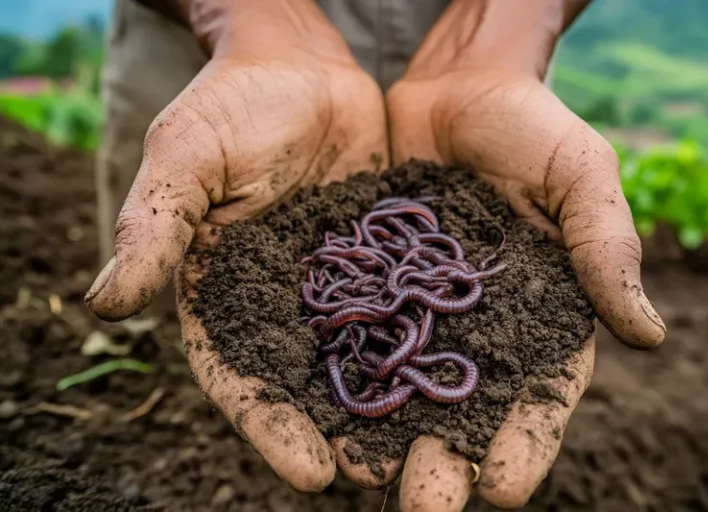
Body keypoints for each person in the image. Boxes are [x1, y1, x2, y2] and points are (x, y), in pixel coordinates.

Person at [85, 1, 667, 510]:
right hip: (214, 49)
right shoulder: (360, 292)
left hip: (485, 54)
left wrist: (498, 42)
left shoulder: (393, 293)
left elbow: (382, 300)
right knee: (184, 290)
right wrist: (251, 21)